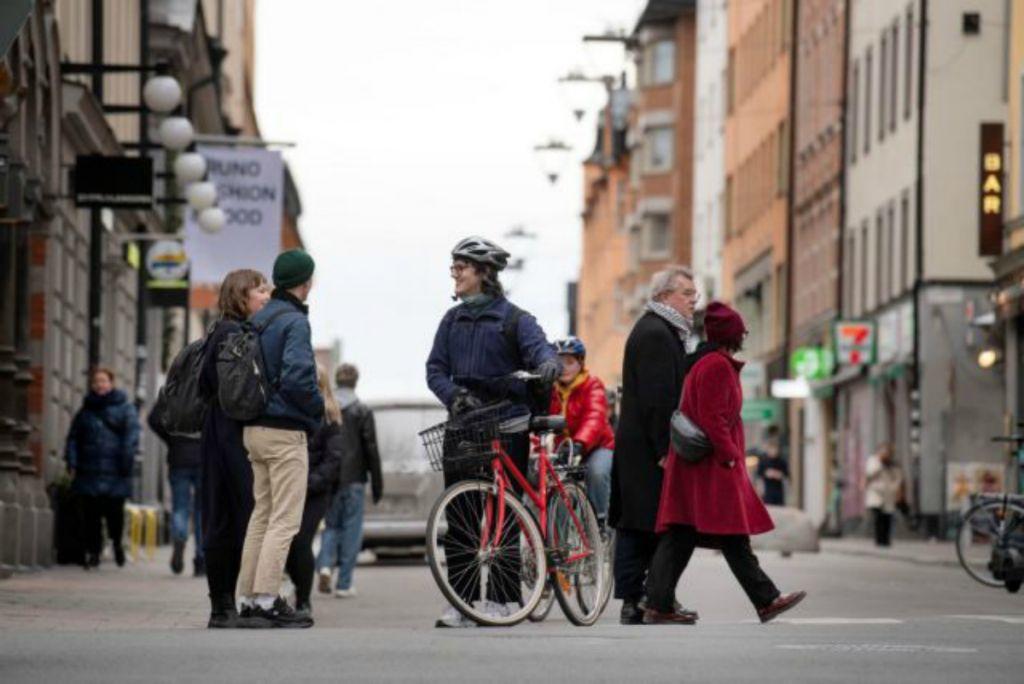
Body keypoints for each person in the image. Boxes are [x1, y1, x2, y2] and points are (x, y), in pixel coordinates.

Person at [426, 236, 560, 628]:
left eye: (461, 268)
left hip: (507, 424)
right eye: (454, 268)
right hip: (464, 426)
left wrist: (549, 364)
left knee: (504, 513)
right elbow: (435, 369)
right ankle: (462, 602)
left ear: (483, 273)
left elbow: (541, 351)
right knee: (462, 516)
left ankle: (503, 599)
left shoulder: (516, 319)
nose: (455, 275)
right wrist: (454, 396)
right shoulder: (451, 321)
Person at [644, 301, 807, 625]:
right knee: (730, 536)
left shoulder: (705, 364)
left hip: (695, 468)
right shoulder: (716, 365)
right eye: (741, 329)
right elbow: (714, 419)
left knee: (682, 534)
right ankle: (766, 599)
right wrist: (732, 457)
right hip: (710, 469)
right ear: (732, 334)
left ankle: (658, 604)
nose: (744, 333)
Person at [236, 249, 324, 629]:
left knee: (262, 515)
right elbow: (299, 377)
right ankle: (269, 598)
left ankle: (247, 598)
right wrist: (317, 411)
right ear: (306, 282)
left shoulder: (258, 319)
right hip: (285, 430)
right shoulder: (294, 322)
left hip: (253, 428)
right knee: (286, 520)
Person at [609, 266, 700, 625]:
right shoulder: (656, 334)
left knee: (645, 524)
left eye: (695, 294)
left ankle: (646, 599)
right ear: (665, 296)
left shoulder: (661, 331)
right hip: (647, 449)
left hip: (641, 445)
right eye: (687, 293)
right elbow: (657, 399)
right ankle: (639, 601)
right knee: (642, 525)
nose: (694, 300)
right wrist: (665, 449)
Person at [198, 268, 270, 628]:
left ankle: (223, 605)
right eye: (260, 290)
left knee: (224, 516)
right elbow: (237, 393)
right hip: (231, 431)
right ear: (241, 296)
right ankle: (227, 604)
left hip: (219, 431)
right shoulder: (234, 334)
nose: (266, 295)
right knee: (237, 516)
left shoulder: (218, 331)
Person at [316, 363, 384, 598]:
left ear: (337, 380)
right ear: (356, 382)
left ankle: (324, 565)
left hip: (331, 478)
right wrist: (377, 484)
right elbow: (371, 449)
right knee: (351, 531)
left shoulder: (327, 408)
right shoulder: (362, 410)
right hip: (355, 479)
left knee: (331, 527)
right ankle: (344, 584)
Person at [64, 367, 140, 569]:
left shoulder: (125, 408)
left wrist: (126, 461)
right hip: (89, 470)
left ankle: (116, 543)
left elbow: (132, 436)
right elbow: (73, 438)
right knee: (92, 517)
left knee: (115, 515)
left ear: (111, 383)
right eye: (97, 381)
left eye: (104, 381)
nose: (100, 384)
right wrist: (71, 461)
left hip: (116, 471)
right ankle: (94, 553)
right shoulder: (85, 411)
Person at [285, 365, 342, 616]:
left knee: (301, 541)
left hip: (314, 492)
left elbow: (333, 458)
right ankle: (297, 589)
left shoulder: (330, 416)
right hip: (290, 487)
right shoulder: (292, 412)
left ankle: (304, 600)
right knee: (286, 542)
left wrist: (310, 482)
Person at [548, 336, 615, 525]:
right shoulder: (551, 390)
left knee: (597, 472)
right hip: (565, 450)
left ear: (580, 363)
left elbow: (594, 418)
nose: (564, 367)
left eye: (570, 362)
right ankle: (558, 540)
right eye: (559, 362)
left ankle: (600, 522)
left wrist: (579, 443)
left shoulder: (592, 384)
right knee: (556, 485)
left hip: (596, 447)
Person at [147, 410, 204, 576]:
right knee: (202, 510)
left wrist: (172, 439)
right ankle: (200, 560)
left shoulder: (174, 386)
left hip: (178, 457)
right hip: (203, 457)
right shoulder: (209, 388)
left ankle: (180, 537)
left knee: (180, 506)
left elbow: (154, 419)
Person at [864, 443, 903, 547]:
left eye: (887, 452)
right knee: (878, 517)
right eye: (883, 452)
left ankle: (886, 540)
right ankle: (879, 540)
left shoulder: (893, 464)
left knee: (887, 518)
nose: (886, 454)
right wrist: (881, 464)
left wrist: (894, 488)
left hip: (888, 494)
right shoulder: (873, 461)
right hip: (875, 493)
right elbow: (869, 474)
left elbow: (898, 477)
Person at [755, 425, 789, 507]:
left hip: (778, 493)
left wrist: (778, 474)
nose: (773, 451)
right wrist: (766, 474)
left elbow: (786, 474)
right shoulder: (763, 461)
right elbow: (758, 475)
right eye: (771, 449)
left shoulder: (781, 461)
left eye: (775, 449)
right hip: (767, 492)